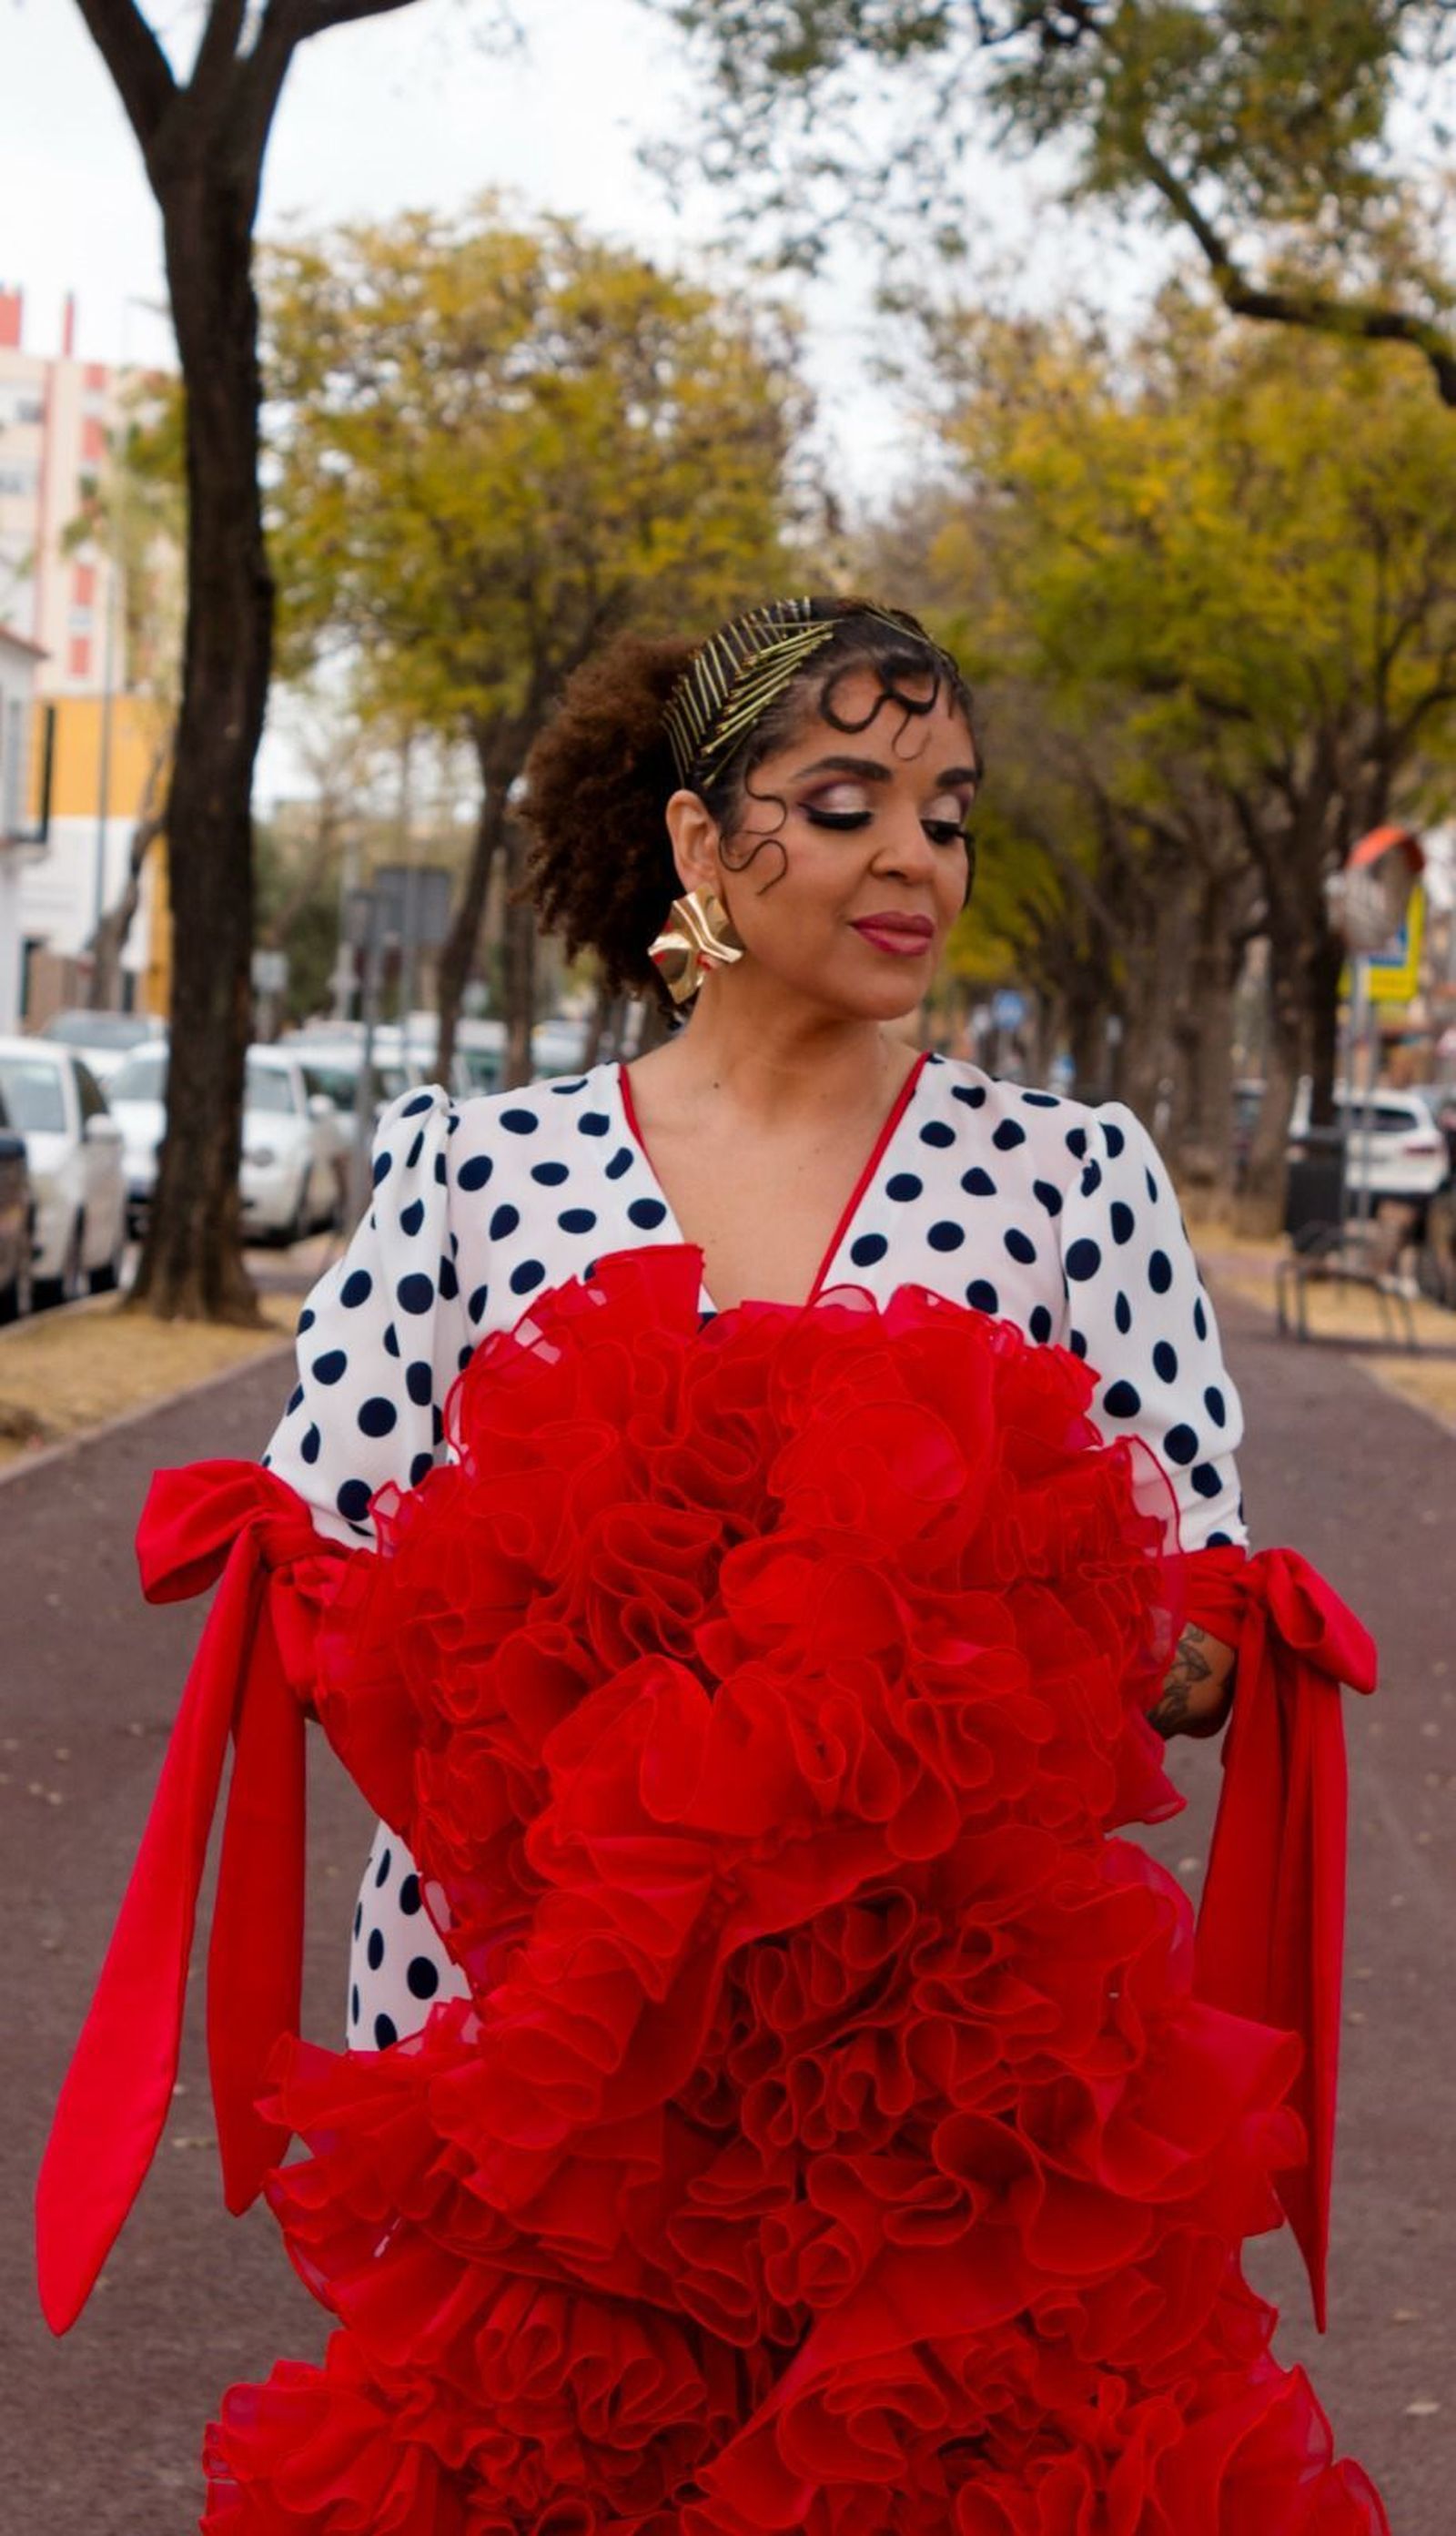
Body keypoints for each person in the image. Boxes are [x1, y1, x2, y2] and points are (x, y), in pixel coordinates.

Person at [40, 596, 1387, 2532]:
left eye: (947, 810)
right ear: (697, 841)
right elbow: (329, 1600)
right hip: (527, 2031)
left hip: (932, 2067)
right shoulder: (463, 1171)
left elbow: (1186, 1619)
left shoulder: (1068, 1174)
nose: (913, 854)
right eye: (843, 802)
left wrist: (937, 1641)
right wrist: (599, 1746)